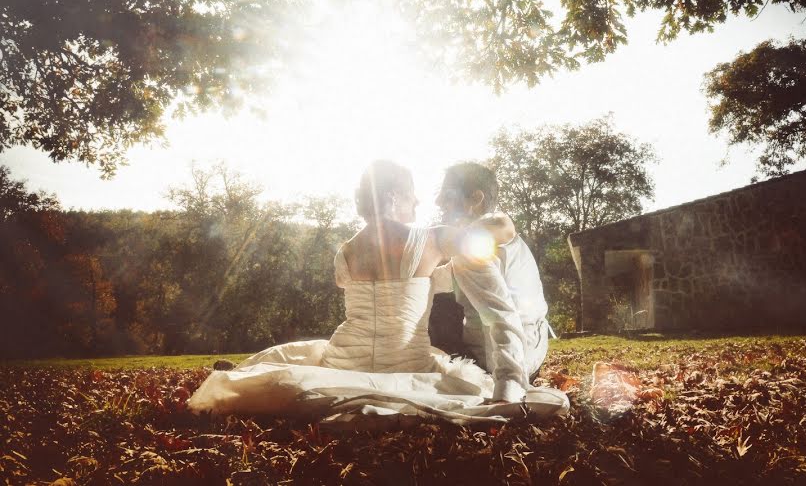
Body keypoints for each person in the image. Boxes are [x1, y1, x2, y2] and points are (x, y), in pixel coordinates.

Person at [188, 161, 567, 427]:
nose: (422, 203)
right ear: (391, 197)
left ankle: (241, 374)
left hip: (345, 360)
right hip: (408, 364)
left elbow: (410, 286)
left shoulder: (345, 252)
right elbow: (496, 310)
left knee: (293, 357)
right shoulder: (436, 239)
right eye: (412, 196)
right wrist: (508, 386)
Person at [430, 162, 552, 401]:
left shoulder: (481, 237)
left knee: (436, 309)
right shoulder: (487, 242)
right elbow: (440, 278)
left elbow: (501, 313)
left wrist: (509, 383)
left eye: (447, 195)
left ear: (475, 198)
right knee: (427, 291)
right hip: (534, 352)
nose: (437, 201)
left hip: (502, 359)